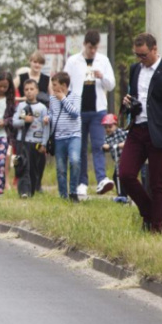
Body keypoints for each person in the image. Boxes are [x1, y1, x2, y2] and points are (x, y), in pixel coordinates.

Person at [118, 33, 162, 234]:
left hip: (159, 133)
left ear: (155, 49)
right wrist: (128, 103)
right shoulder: (135, 69)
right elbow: (135, 96)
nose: (140, 59)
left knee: (158, 182)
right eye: (137, 55)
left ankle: (158, 228)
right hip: (137, 129)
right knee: (125, 174)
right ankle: (149, 211)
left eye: (144, 55)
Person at [64, 31, 117, 196]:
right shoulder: (73, 61)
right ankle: (82, 182)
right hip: (78, 111)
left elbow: (111, 85)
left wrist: (102, 77)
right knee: (80, 148)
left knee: (98, 145)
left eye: (95, 48)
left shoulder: (103, 60)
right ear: (84, 45)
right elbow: (66, 84)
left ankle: (102, 179)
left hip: (98, 110)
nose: (93, 51)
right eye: (90, 47)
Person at [12, 80, 50, 198]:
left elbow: (46, 127)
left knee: (34, 168)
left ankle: (32, 190)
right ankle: (24, 191)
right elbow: (15, 122)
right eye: (26, 89)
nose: (29, 92)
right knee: (23, 165)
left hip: (36, 143)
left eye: (32, 89)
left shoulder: (42, 108)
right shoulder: (22, 106)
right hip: (23, 141)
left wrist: (44, 143)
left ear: (37, 91)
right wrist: (24, 120)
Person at [50, 73, 83, 201]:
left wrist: (63, 99)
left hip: (74, 136)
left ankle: (73, 192)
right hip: (59, 137)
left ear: (63, 85)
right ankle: (63, 195)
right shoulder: (52, 99)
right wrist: (48, 117)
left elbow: (75, 113)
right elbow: (53, 114)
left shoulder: (75, 97)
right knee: (60, 168)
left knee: (75, 161)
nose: (53, 88)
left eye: (55, 85)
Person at [100, 114, 128, 203]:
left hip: (126, 159)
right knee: (116, 176)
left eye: (110, 126)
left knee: (123, 176)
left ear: (115, 125)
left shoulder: (121, 132)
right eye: (106, 127)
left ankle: (124, 195)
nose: (108, 129)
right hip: (118, 162)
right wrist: (106, 146)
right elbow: (104, 145)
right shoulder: (107, 137)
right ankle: (121, 194)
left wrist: (120, 145)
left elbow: (129, 140)